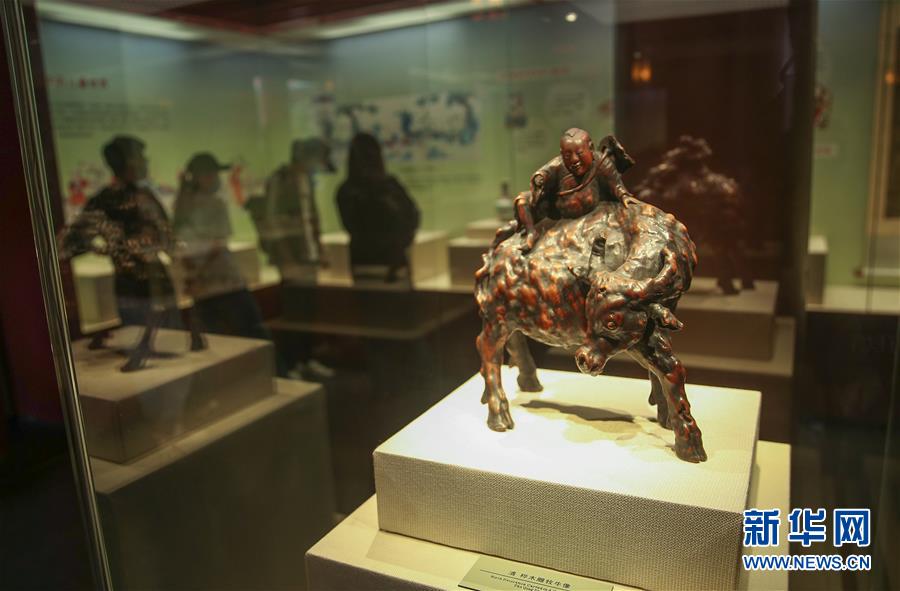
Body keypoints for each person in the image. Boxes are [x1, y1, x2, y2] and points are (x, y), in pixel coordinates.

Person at [59, 135, 204, 371]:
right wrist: (113, 247)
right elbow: (71, 244)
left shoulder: (133, 197)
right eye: (141, 157)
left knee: (174, 360)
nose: (146, 161)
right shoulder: (111, 199)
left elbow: (167, 239)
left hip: (152, 285)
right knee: (162, 363)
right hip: (134, 289)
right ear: (130, 162)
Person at [172, 152, 269, 340]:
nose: (216, 178)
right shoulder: (214, 203)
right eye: (211, 174)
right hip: (225, 283)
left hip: (202, 287)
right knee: (253, 333)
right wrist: (198, 276)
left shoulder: (181, 206)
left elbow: (182, 249)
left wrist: (194, 277)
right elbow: (217, 245)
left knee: (217, 340)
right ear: (199, 177)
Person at [503, 128, 636, 252]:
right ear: (562, 154)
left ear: (590, 148)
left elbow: (615, 184)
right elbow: (543, 174)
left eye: (580, 153)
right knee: (522, 201)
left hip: (593, 215)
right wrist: (539, 179)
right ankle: (531, 232)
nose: (574, 160)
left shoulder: (601, 162)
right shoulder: (558, 165)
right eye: (567, 155)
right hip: (558, 212)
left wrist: (624, 196)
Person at [336, 133, 420, 284]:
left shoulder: (348, 190)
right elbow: (411, 217)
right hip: (382, 261)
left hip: (374, 262)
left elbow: (412, 217)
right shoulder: (386, 186)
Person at [258, 138, 334, 285]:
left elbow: (311, 217)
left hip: (308, 254)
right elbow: (273, 222)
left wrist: (319, 250)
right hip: (290, 256)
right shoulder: (280, 180)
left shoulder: (306, 179)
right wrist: (287, 258)